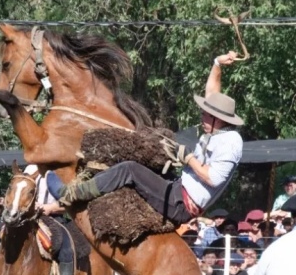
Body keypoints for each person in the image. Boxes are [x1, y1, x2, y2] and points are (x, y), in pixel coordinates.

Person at [46, 51, 243, 226]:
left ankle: (70, 195)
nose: (202, 116)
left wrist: (187, 157)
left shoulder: (231, 141)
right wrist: (217, 63)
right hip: (178, 189)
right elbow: (212, 92)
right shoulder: (218, 130)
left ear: (220, 119)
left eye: (207, 114)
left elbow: (214, 178)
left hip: (181, 203)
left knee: (129, 169)